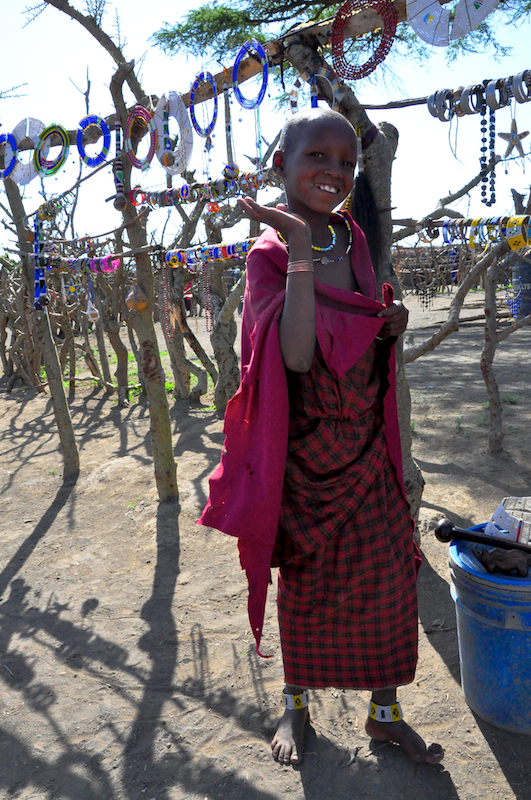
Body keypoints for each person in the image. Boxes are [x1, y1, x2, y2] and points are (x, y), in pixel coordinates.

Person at [199, 107, 444, 768]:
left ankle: (385, 715)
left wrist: (390, 320)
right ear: (282, 163)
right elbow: (299, 355)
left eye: (346, 162)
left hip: (367, 445)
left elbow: (360, 323)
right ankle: (295, 705)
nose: (334, 171)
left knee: (389, 581)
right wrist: (300, 250)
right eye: (318, 157)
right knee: (307, 591)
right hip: (306, 455)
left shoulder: (352, 238)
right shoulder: (269, 252)